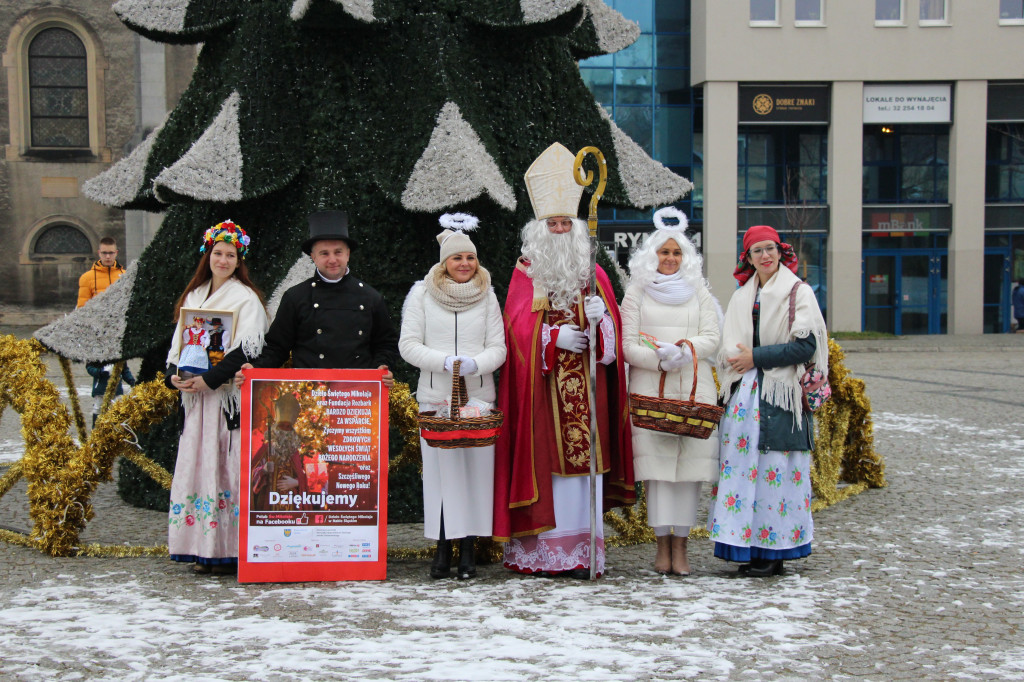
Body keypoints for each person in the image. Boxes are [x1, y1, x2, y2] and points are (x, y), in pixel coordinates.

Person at [493, 142, 635, 579]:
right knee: (548, 466)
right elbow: (515, 328)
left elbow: (614, 341)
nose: (557, 230)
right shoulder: (525, 270)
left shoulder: (594, 274)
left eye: (563, 223)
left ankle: (581, 551)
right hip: (542, 392)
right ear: (539, 227)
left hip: (588, 391)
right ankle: (545, 553)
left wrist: (601, 324)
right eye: (551, 223)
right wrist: (552, 337)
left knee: (583, 468)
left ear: (575, 227)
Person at [708, 225, 828, 577]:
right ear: (747, 257)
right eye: (757, 250)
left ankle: (775, 551)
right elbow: (729, 344)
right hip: (745, 397)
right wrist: (739, 361)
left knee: (777, 474)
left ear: (781, 252)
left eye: (770, 249)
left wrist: (755, 358)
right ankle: (749, 547)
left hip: (780, 396)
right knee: (745, 476)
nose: (765, 255)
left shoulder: (798, 291)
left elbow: (806, 346)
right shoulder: (742, 295)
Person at [399, 213, 506, 580]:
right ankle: (443, 547)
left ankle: (470, 551)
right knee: (441, 478)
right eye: (457, 258)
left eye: (470, 258)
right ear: (444, 263)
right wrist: (444, 362)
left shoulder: (488, 296)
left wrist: (474, 364)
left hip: (477, 400)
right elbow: (408, 345)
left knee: (476, 477)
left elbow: (499, 347)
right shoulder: (422, 294)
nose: (465, 264)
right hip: (436, 398)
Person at [620, 207, 721, 576]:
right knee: (659, 475)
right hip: (652, 391)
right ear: (652, 255)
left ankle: (682, 548)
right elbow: (628, 345)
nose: (670, 258)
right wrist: (660, 360)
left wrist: (685, 350)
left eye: (677, 253)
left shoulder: (699, 292)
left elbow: (712, 336)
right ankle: (661, 547)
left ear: (686, 258)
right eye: (664, 252)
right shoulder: (636, 293)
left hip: (694, 391)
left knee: (689, 473)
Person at [165, 220, 269, 575]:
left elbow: (246, 349)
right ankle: (198, 545)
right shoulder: (194, 297)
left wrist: (210, 380)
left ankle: (229, 548)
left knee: (226, 469)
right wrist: (174, 377)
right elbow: (179, 345)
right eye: (218, 253)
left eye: (230, 255)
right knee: (197, 467)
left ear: (239, 261)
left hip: (226, 399)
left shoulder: (245, 298)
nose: (223, 260)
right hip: (197, 400)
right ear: (208, 256)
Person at [202, 210, 398, 390]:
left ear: (348, 254)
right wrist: (254, 368)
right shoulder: (296, 297)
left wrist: (382, 366)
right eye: (324, 253)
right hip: (309, 396)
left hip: (357, 397)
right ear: (313, 257)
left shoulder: (371, 297)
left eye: (338, 252)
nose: (332, 259)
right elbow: (277, 348)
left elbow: (386, 343)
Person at [77, 237, 126, 308]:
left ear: (116, 253)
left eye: (111, 253)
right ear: (99, 253)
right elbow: (82, 308)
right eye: (104, 253)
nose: (108, 256)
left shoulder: (125, 275)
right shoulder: (86, 278)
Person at [85, 361, 136, 428]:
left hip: (117, 391)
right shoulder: (98, 353)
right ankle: (96, 431)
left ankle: (115, 432)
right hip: (101, 390)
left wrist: (131, 380)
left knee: (117, 412)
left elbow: (124, 370)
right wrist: (100, 372)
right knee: (98, 410)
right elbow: (89, 367)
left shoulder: (120, 355)